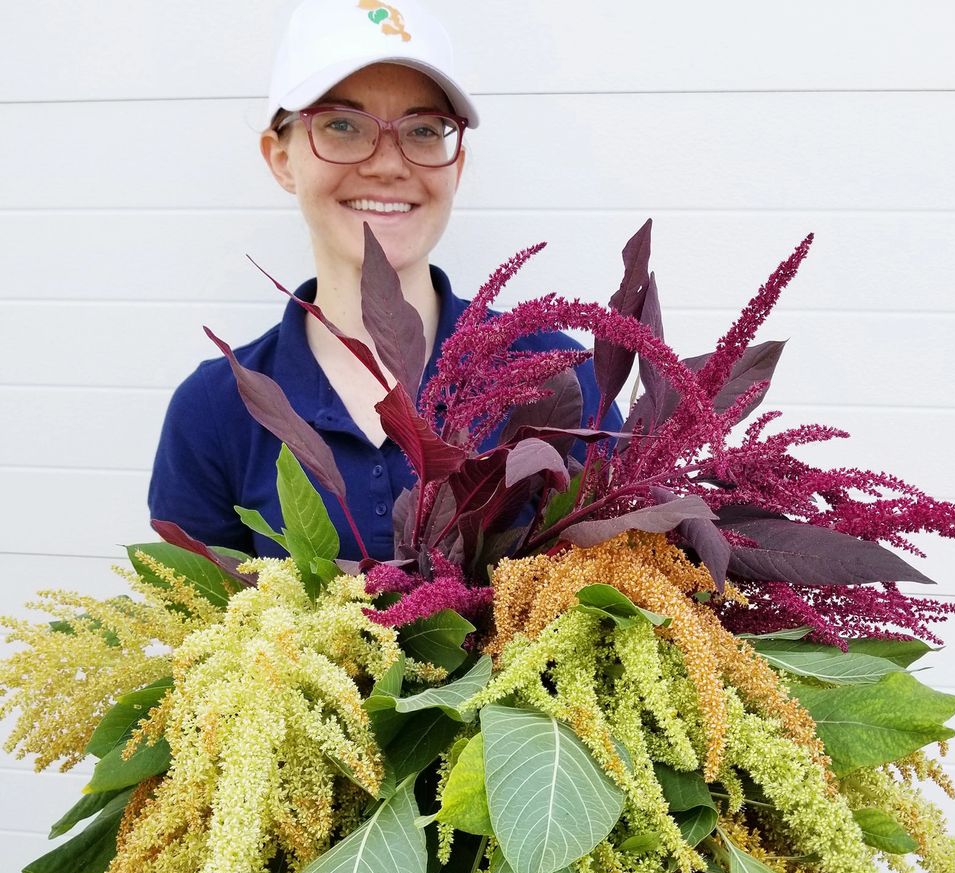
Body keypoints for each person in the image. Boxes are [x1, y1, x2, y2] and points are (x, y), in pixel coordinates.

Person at [148, 0, 620, 561]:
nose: (389, 164)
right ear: (281, 159)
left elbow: (627, 597)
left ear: (457, 167)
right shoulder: (215, 407)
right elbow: (196, 624)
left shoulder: (559, 377)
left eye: (423, 130)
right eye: (342, 125)